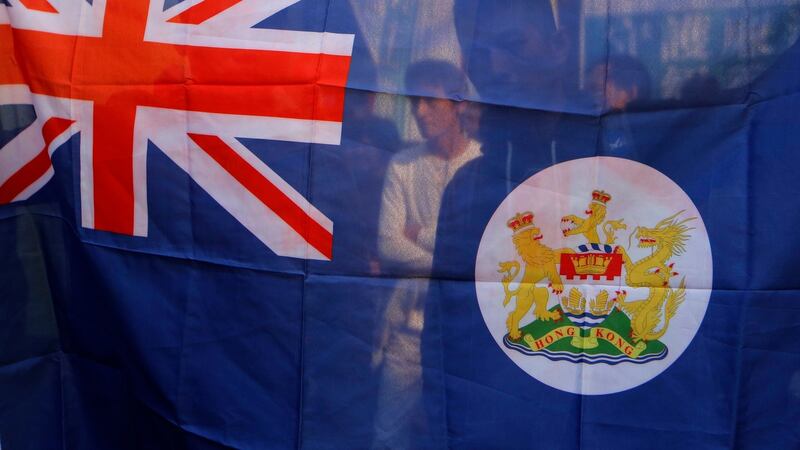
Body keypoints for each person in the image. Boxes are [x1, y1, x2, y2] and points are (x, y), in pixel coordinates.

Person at [372, 59, 481, 449]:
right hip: (409, 328)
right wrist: (450, 263)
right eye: (414, 102)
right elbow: (388, 243)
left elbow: (481, 248)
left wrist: (423, 235)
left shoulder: (481, 165)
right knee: (389, 434)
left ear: (458, 104)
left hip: (468, 331)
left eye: (430, 102)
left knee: (459, 433)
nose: (419, 111)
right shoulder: (402, 165)